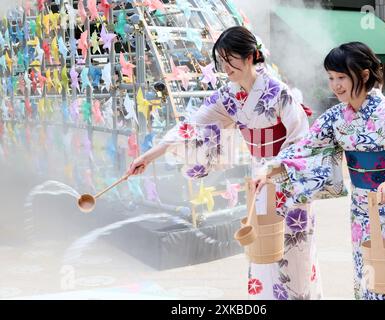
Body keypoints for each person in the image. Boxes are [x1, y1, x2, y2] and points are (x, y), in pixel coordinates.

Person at [126, 26, 322, 300]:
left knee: (293, 254)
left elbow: (302, 139)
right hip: (258, 179)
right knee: (261, 253)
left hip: (286, 179)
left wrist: (274, 167)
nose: (225, 67)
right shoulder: (229, 96)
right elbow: (192, 124)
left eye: (231, 59)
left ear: (251, 56)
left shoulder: (279, 93)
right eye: (221, 60)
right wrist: (150, 156)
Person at [255, 42, 385, 300]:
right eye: (331, 77)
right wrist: (271, 169)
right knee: (366, 277)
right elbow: (307, 149)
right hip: (361, 207)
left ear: (364, 75)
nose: (335, 84)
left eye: (342, 77)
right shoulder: (335, 117)